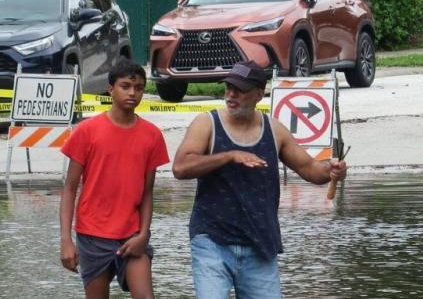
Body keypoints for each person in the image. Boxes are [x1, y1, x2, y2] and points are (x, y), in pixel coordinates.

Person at [172, 60, 347, 299]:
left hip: (260, 243)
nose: (231, 94)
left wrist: (331, 170)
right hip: (212, 240)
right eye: (228, 87)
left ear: (258, 94)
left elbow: (311, 170)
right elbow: (180, 168)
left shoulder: (275, 130)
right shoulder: (206, 123)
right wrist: (229, 156)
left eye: (240, 89)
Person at [59, 60, 170, 298]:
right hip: (93, 235)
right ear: (110, 89)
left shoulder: (152, 135)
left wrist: (144, 235)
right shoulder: (87, 131)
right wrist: (66, 240)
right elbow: (69, 189)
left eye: (139, 87)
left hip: (132, 235)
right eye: (126, 86)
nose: (132, 93)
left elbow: (147, 193)